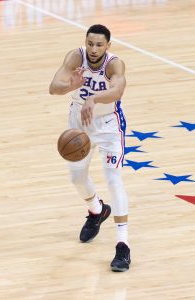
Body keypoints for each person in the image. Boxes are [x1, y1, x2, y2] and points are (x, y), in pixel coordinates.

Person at [49, 24, 131, 272]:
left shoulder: (115, 64)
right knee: (77, 178)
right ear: (85, 43)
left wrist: (94, 98)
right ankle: (97, 210)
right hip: (78, 124)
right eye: (90, 43)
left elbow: (117, 90)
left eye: (99, 45)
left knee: (113, 179)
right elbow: (54, 88)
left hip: (108, 126)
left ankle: (123, 245)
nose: (93, 49)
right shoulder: (76, 57)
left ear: (108, 45)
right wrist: (71, 87)